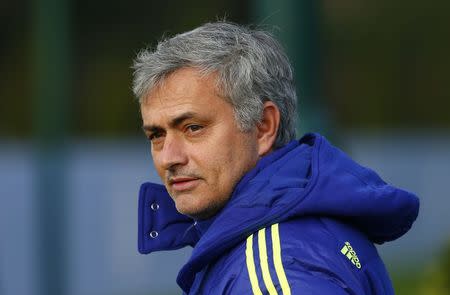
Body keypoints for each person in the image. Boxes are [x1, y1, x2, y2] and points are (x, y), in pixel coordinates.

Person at [132, 21, 419, 295]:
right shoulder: (289, 236)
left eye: (193, 128)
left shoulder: (277, 269)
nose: (168, 156)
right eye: (156, 135)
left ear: (263, 126)